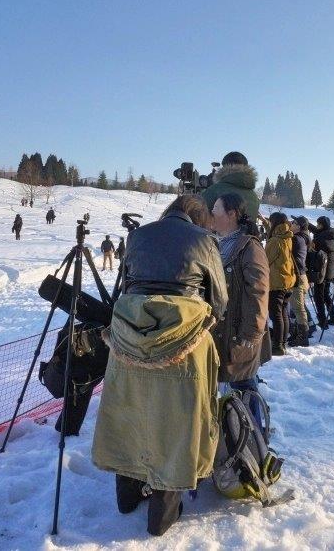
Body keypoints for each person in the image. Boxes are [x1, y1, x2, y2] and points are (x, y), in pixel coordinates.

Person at [91, 194, 227, 537]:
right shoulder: (204, 241)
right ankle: (162, 515)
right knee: (176, 424)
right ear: (198, 218)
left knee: (130, 412)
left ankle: (127, 496)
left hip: (128, 342)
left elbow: (123, 286)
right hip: (184, 344)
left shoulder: (138, 236)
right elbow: (220, 302)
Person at [210, 192, 270, 429]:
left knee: (243, 385)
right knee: (237, 384)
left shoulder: (249, 246)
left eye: (216, 209)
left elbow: (259, 290)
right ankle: (235, 436)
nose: (211, 214)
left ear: (232, 214)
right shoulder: (219, 243)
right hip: (223, 331)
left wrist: (253, 332)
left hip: (239, 334)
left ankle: (256, 439)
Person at [265, 212, 296, 355]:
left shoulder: (275, 240)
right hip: (288, 280)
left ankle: (277, 346)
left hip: (277, 282)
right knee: (283, 313)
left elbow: (265, 260)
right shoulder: (287, 237)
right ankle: (282, 343)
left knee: (276, 315)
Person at [201, 151, 261, 222]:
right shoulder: (254, 196)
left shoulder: (214, 190)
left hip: (218, 232)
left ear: (224, 168)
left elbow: (198, 216)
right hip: (249, 233)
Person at [286, 216, 312, 346]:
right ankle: (298, 333)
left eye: (294, 223)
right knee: (297, 308)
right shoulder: (302, 238)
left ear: (300, 226)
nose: (291, 224)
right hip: (302, 276)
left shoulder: (296, 239)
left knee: (298, 308)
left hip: (297, 276)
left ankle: (303, 337)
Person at [309, 216, 334, 329]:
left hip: (322, 273)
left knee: (319, 297)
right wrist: (309, 225)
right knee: (326, 295)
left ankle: (322, 320)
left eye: (318, 224)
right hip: (329, 272)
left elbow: (314, 250)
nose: (317, 226)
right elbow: (317, 231)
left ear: (322, 225)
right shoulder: (329, 235)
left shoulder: (320, 239)